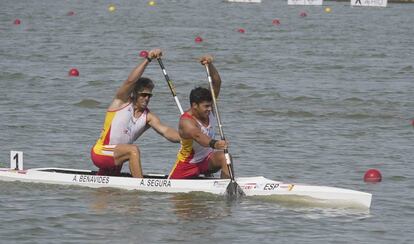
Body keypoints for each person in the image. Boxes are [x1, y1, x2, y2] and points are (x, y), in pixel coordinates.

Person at [91, 48, 180, 178]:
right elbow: (130, 81)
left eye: (149, 96)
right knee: (133, 150)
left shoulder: (148, 116)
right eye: (143, 95)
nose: (147, 98)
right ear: (134, 94)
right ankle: (140, 188)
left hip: (117, 158)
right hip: (101, 152)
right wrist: (148, 59)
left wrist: (186, 139)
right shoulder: (121, 102)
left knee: (107, 194)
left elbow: (166, 131)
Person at [169, 55, 230, 179]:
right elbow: (198, 136)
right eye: (206, 106)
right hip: (187, 165)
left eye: (210, 105)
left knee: (225, 157)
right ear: (194, 105)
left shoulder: (209, 109)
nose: (209, 109)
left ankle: (227, 189)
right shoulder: (186, 121)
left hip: (207, 160)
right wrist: (215, 143)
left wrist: (210, 65)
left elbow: (216, 82)